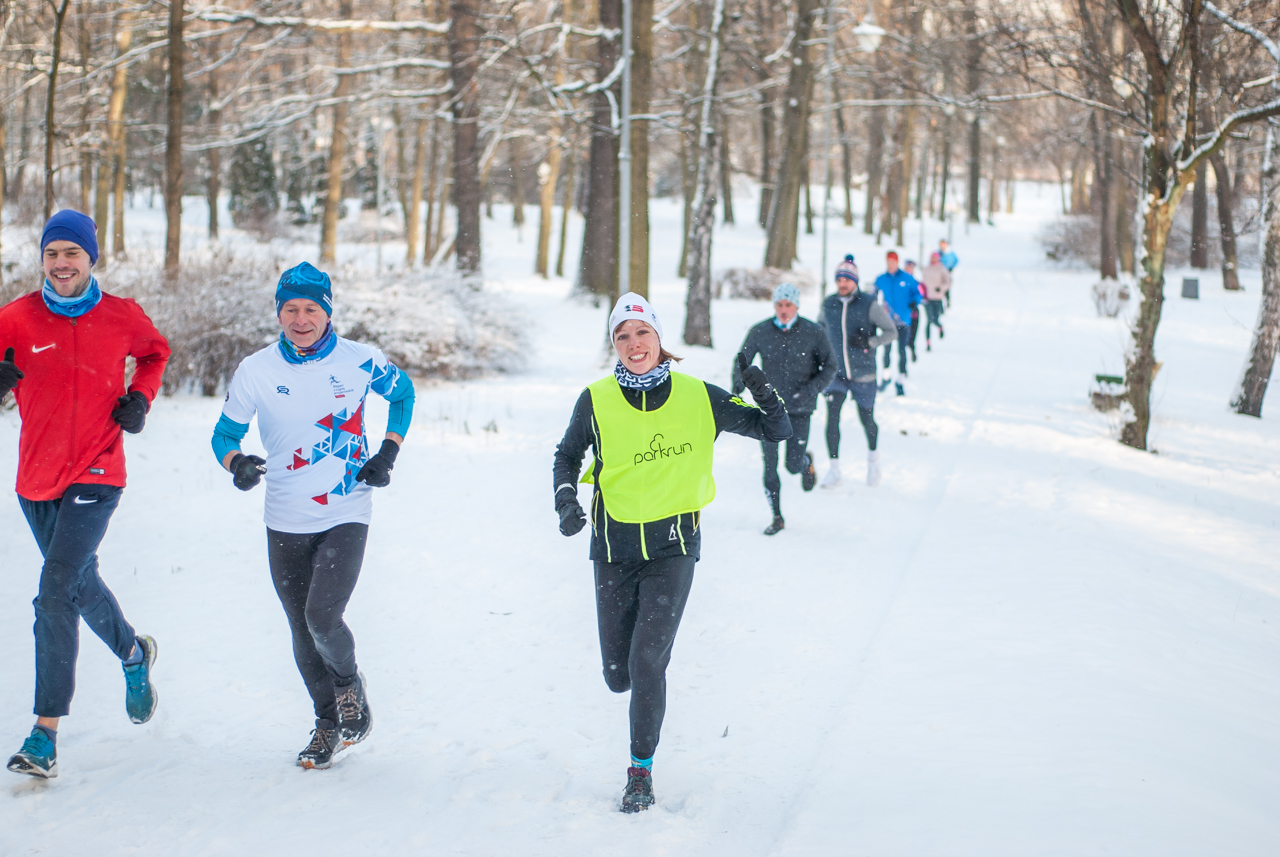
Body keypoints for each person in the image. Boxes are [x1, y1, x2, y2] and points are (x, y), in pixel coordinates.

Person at [552, 293, 791, 812]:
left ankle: (641, 771)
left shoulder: (697, 396)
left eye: (642, 333)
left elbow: (776, 429)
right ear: (614, 346)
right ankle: (635, 698)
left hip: (674, 547)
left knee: (646, 665)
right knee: (618, 675)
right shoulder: (595, 399)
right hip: (613, 548)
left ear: (659, 339)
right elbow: (568, 455)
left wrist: (765, 394)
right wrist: (565, 497)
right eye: (623, 336)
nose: (634, 344)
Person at [211, 262, 415, 770]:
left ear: (328, 312)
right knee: (301, 630)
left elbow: (404, 395)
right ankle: (327, 724)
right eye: (290, 309)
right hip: (284, 516)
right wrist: (236, 465)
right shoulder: (256, 370)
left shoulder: (360, 361)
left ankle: (349, 688)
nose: (300, 319)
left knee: (322, 616)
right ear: (278, 313)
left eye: (311, 309)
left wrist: (387, 453)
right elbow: (223, 436)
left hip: (346, 508)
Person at [1, 210, 171, 779]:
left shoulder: (121, 316)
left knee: (54, 592)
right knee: (77, 583)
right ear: (43, 260)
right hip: (36, 480)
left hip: (98, 474)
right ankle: (133, 653)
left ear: (91, 259)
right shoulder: (16, 319)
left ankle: (44, 734)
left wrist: (140, 398)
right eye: (53, 254)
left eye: (72, 254)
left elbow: (155, 352)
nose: (61, 264)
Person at [731, 282, 835, 535]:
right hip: (770, 408)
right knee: (770, 464)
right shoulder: (761, 331)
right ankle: (777, 517)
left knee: (792, 463)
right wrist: (738, 384)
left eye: (788, 304)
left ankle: (805, 462)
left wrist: (810, 390)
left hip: (801, 408)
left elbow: (830, 367)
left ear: (797, 305)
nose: (784, 309)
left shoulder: (813, 331)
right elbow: (742, 359)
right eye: (779, 304)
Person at [818, 256, 896, 488]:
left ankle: (873, 461)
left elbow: (891, 332)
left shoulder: (869, 304)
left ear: (855, 281)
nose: (842, 283)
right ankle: (834, 471)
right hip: (836, 374)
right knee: (832, 419)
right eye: (839, 279)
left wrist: (869, 341)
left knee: (867, 420)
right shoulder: (829, 304)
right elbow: (819, 330)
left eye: (847, 280)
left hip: (864, 374)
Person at [874, 251, 920, 396]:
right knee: (886, 351)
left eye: (893, 261)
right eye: (888, 261)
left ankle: (900, 379)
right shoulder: (881, 279)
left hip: (903, 321)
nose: (891, 264)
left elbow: (918, 293)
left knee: (901, 350)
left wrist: (914, 302)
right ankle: (886, 376)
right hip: (887, 322)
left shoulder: (907, 278)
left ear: (897, 262)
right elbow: (872, 295)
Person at [920, 251, 951, 350]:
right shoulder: (926, 269)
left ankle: (940, 326)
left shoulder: (942, 269)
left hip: (937, 298)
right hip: (927, 298)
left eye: (934, 258)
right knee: (929, 320)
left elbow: (947, 282)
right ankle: (928, 343)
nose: (932, 259)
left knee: (935, 320)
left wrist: (941, 288)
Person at [902, 259, 925, 363]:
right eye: (907, 267)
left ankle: (912, 350)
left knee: (911, 338)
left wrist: (915, 302)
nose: (908, 269)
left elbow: (921, 294)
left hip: (913, 314)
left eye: (910, 267)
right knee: (902, 342)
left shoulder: (916, 282)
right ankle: (903, 366)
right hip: (901, 315)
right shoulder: (899, 281)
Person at [938, 239, 959, 307]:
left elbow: (956, 260)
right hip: (939, 273)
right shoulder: (938, 252)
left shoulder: (950, 253)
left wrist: (951, 267)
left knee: (946, 287)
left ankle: (948, 301)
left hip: (947, 272)